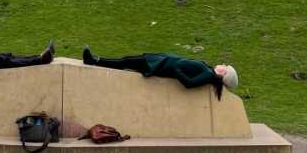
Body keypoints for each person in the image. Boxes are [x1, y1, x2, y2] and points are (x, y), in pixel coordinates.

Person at [82, 46, 238, 99]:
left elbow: (189, 84)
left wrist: (175, 69)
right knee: (126, 60)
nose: (224, 65)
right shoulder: (208, 70)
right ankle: (96, 60)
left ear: (223, 75)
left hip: (160, 65)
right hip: (161, 61)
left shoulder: (208, 75)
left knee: (125, 62)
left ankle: (94, 61)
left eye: (226, 68)